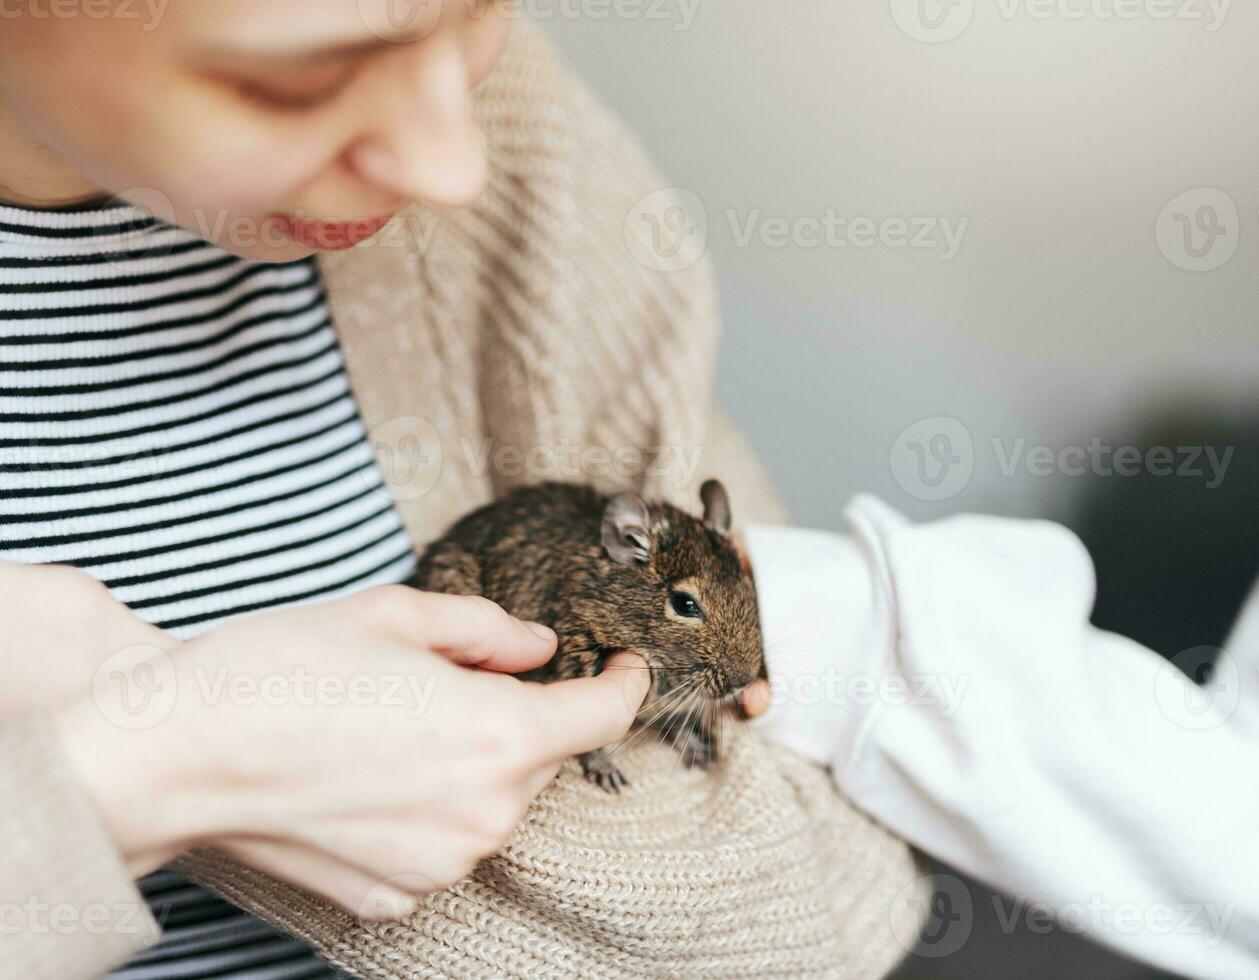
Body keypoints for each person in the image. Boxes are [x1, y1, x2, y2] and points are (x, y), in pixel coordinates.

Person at [0, 3, 1251, 980]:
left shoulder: (527, 150)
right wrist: (143, 777)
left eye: (480, 3)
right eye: (296, 75)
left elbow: (802, 895)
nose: (451, 164)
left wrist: (160, 749)